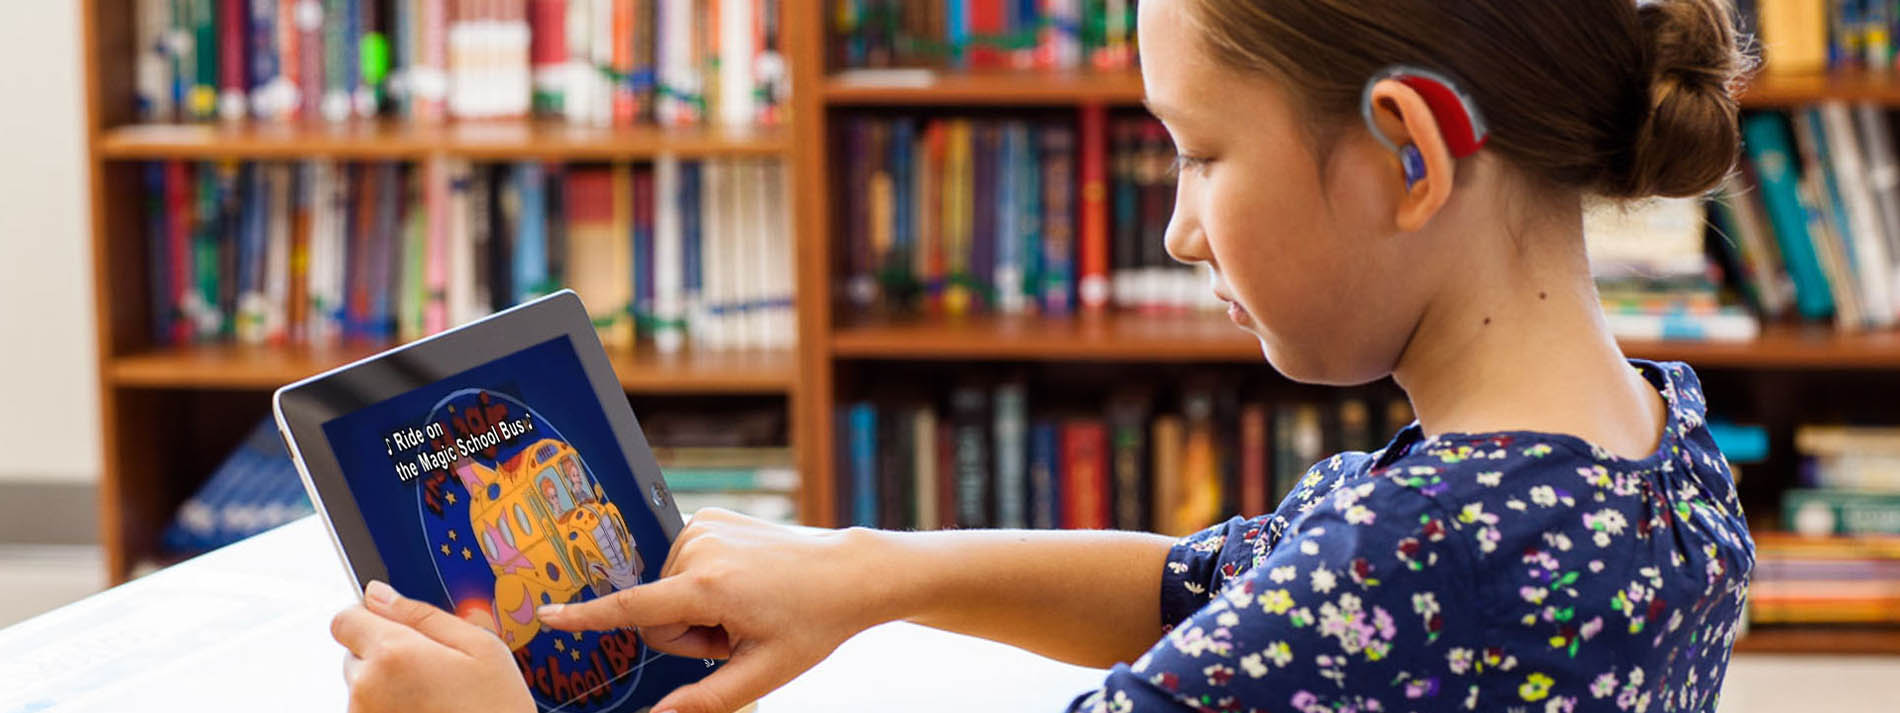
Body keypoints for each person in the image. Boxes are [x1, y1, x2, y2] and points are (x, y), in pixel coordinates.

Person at [326, 1, 1757, 711]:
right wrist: (869, 569)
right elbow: (1216, 584)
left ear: (1409, 151)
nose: (1185, 230)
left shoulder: (1429, 554)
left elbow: (1313, 600)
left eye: (1201, 156)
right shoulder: (1651, 448)